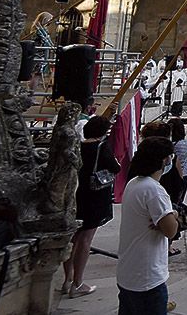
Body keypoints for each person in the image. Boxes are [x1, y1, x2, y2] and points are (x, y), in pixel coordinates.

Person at [117, 136, 178, 315]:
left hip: (129, 270)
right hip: (147, 275)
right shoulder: (154, 191)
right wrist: (173, 214)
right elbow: (171, 230)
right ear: (164, 160)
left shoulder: (134, 183)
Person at [61, 115, 119, 298]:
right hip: (94, 195)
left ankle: (67, 279)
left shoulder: (79, 146)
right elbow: (115, 167)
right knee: (85, 240)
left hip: (77, 193)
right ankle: (78, 283)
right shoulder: (101, 147)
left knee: (74, 238)